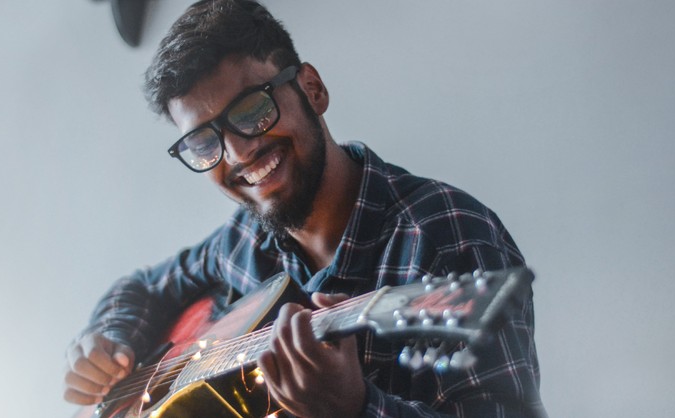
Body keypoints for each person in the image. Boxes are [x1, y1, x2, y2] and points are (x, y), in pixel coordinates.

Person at [63, 0, 546, 417]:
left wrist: (354, 409)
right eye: (203, 141)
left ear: (312, 89)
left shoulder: (448, 239)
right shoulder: (246, 238)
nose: (237, 154)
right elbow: (143, 287)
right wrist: (110, 341)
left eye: (252, 110)